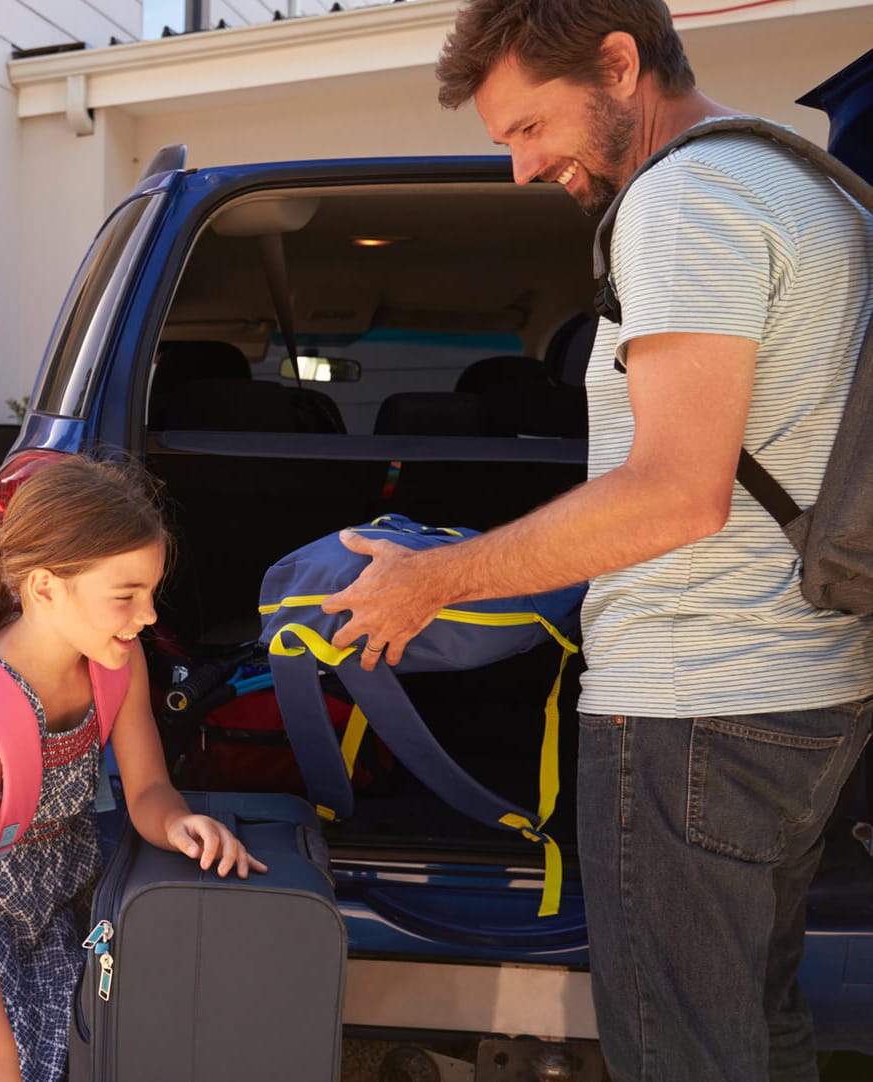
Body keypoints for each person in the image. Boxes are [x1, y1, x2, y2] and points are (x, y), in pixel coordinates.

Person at [316, 3, 873, 1079]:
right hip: (807, 688)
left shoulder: (686, 200)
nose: (522, 168)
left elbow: (673, 494)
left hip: (693, 701)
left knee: (682, 1053)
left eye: (530, 127)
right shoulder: (802, 182)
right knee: (759, 1025)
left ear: (620, 66)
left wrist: (433, 580)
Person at [0, 456, 266, 1082]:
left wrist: (177, 825)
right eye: (126, 596)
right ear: (44, 587)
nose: (147, 616)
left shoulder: (119, 660)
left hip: (57, 893)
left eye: (150, 592)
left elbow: (147, 788)